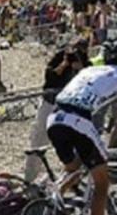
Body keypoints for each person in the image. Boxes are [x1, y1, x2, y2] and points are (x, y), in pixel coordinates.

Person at [45, 39, 117, 215]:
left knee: (74, 168)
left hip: (55, 118)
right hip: (79, 120)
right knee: (102, 180)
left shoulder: (90, 70)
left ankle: (55, 196)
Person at [25, 38, 89, 181]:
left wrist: (80, 69)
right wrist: (64, 64)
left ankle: (71, 179)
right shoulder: (60, 56)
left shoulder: (84, 60)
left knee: (70, 141)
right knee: (38, 138)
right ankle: (29, 178)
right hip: (50, 102)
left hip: (68, 107)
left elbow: (87, 79)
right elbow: (50, 77)